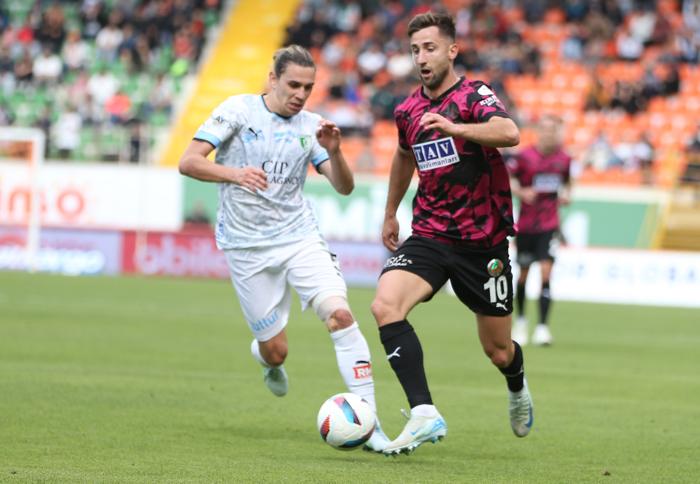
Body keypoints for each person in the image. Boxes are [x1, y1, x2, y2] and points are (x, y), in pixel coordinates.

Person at [178, 45, 389, 452]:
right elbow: (189, 161)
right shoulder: (238, 111)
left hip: (299, 237)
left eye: (308, 87)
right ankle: (267, 361)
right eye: (293, 84)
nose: (300, 94)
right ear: (272, 79)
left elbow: (344, 187)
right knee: (276, 351)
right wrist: (234, 174)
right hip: (246, 246)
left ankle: (371, 424)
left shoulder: (313, 126)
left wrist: (335, 152)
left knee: (341, 315)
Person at [369, 12, 533, 456]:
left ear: (452, 50)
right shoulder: (407, 110)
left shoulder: (473, 95)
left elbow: (510, 132)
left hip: (482, 244)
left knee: (498, 351)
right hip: (430, 232)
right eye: (415, 50)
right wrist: (390, 212)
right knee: (385, 305)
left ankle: (517, 385)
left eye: (430, 48)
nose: (422, 58)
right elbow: (404, 156)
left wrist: (456, 128)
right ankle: (424, 412)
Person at [508, 114, 572, 347]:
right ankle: (521, 322)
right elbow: (509, 179)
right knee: (523, 275)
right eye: (545, 129)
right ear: (538, 132)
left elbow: (567, 183)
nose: (549, 134)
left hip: (549, 225)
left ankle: (543, 327)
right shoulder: (524, 156)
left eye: (553, 130)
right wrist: (521, 192)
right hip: (526, 225)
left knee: (546, 273)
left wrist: (567, 195)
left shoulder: (564, 159)